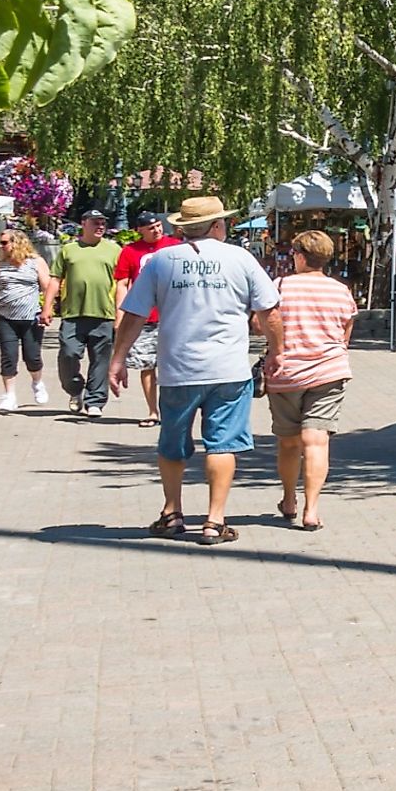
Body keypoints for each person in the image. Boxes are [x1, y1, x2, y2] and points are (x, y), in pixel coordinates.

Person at [112, 196, 281, 545]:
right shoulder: (241, 258)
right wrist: (276, 352)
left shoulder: (161, 261)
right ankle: (214, 520)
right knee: (222, 445)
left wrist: (117, 359)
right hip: (228, 370)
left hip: (178, 369)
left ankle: (172, 512)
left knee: (172, 444)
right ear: (218, 225)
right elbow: (270, 312)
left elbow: (134, 313)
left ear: (183, 227)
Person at [264, 230, 355, 531]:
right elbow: (345, 334)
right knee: (317, 441)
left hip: (286, 373)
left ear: (300, 256)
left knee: (289, 443)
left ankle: (289, 499)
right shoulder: (341, 291)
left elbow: (262, 322)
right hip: (329, 372)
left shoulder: (279, 286)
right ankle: (311, 510)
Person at [52, 208, 123, 418]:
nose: (100, 226)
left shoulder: (114, 250)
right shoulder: (68, 250)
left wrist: (120, 313)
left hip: (104, 314)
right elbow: (55, 278)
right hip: (73, 314)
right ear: (83, 223)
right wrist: (47, 308)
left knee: (101, 360)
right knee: (69, 353)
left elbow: (122, 283)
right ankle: (75, 389)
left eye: (103, 223)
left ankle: (95, 401)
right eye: (95, 222)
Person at [113, 210, 182, 423]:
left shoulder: (175, 246)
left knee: (174, 365)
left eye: (158, 226)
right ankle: (153, 411)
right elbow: (122, 284)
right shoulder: (130, 251)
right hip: (145, 318)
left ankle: (175, 411)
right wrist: (120, 315)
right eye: (151, 228)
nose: (157, 230)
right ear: (139, 230)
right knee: (147, 365)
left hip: (173, 315)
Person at [0, 229, 52, 411]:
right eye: (1, 243)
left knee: (32, 357)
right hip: (6, 318)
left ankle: (37, 383)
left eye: (5, 243)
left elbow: (47, 287)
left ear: (17, 243)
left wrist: (47, 310)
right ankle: (9, 395)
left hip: (31, 318)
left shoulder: (36, 262)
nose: (1, 246)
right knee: (8, 356)